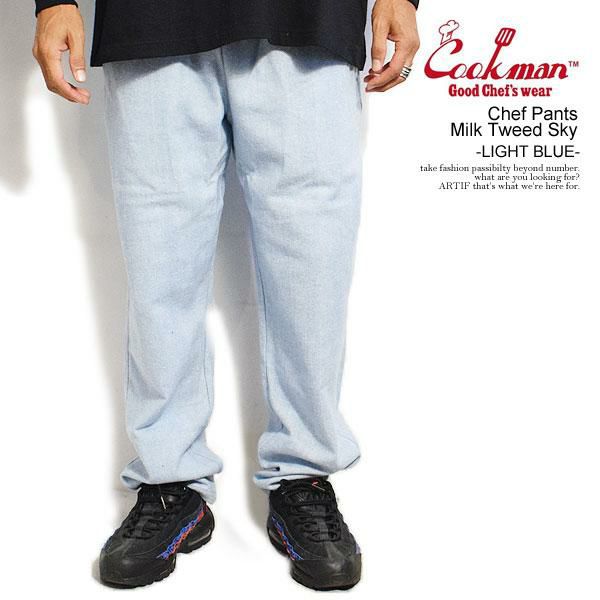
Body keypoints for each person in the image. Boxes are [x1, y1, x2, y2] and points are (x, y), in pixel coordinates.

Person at [33, 0, 420, 591]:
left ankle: (305, 476)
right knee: (159, 271)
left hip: (312, 16)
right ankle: (170, 483)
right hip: (150, 18)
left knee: (313, 269)